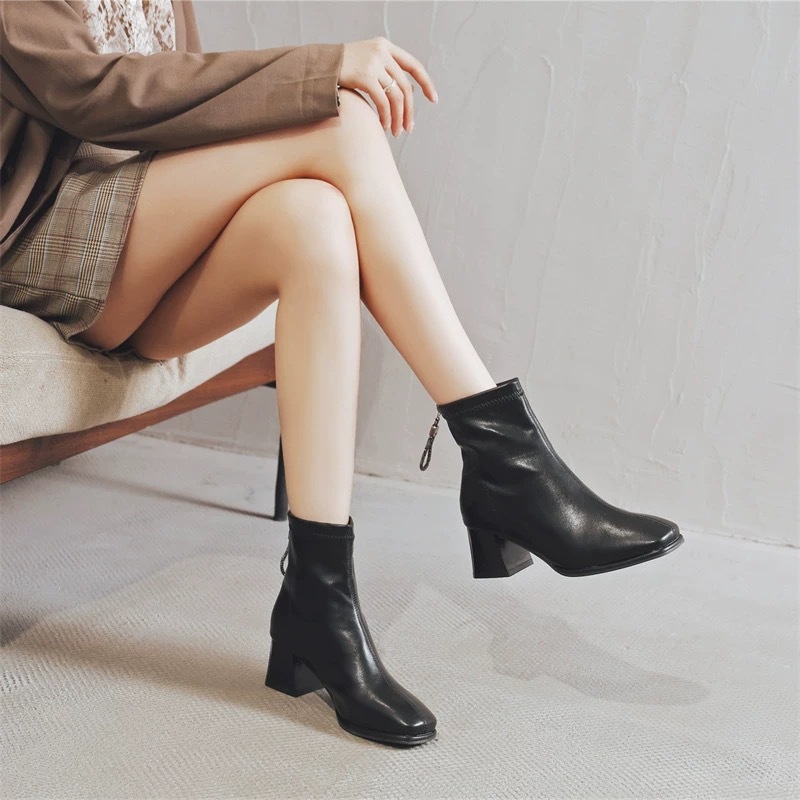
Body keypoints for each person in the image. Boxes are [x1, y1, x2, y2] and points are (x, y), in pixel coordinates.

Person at [0, 0, 684, 748]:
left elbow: (179, 93)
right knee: (344, 116)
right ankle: (509, 463)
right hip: (44, 231)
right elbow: (94, 93)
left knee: (314, 220)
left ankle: (318, 604)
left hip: (143, 231)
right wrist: (321, 68)